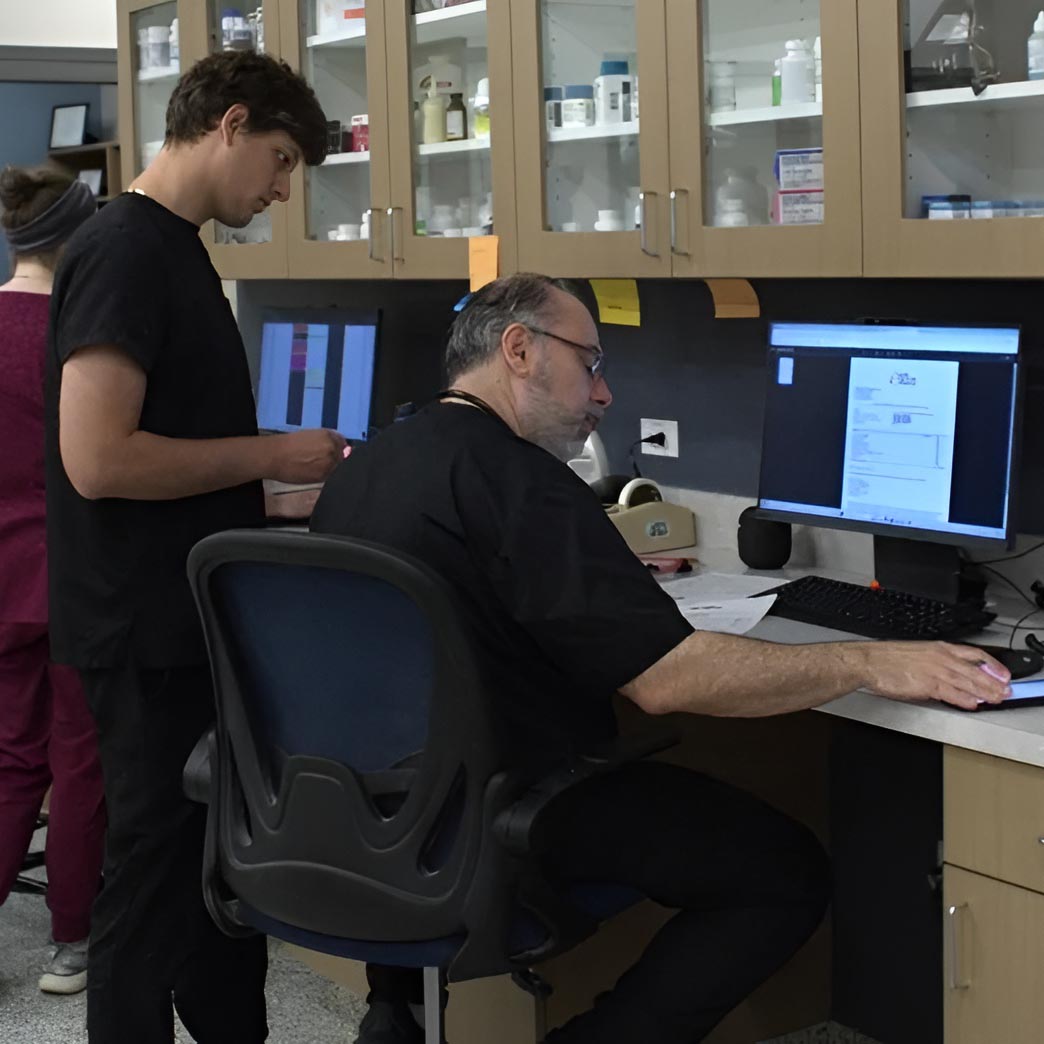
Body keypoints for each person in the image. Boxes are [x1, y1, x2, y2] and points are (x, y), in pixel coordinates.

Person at [310, 272, 1012, 1044]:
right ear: (519, 350)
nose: (604, 393)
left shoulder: (367, 464)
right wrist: (870, 664)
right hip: (506, 806)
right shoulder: (522, 482)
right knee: (781, 873)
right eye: (590, 363)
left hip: (369, 805)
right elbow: (668, 679)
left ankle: (396, 1011)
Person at [44, 52, 345, 1044]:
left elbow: (172, 445)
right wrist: (271, 454)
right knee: (152, 883)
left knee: (214, 879)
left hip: (185, 619)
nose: (283, 189)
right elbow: (98, 459)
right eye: (282, 158)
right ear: (231, 123)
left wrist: (271, 492)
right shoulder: (125, 250)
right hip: (143, 628)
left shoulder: (174, 248)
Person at [0, 164, 104, 996]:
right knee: (80, 762)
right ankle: (72, 943)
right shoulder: (82, 335)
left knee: (9, 759)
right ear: (77, 238)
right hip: (76, 576)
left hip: (3, 581)